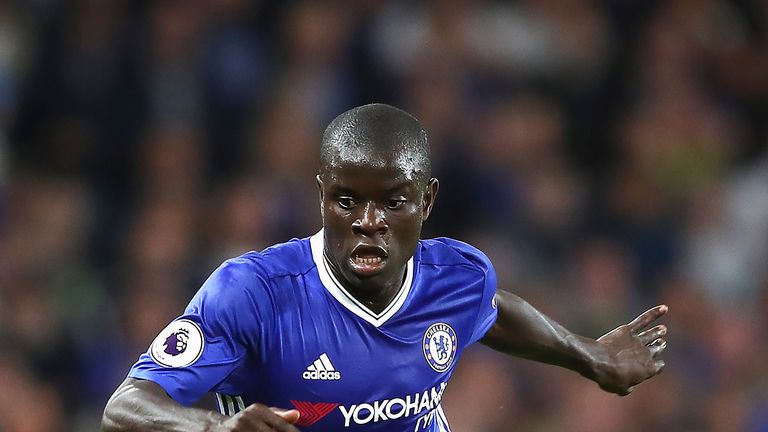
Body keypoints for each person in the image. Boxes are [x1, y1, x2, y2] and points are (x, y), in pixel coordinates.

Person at [102, 103, 668, 432]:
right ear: (321, 196)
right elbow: (126, 406)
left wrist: (590, 355)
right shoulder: (254, 292)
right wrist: (214, 428)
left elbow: (491, 314)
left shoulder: (459, 277)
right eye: (347, 200)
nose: (368, 221)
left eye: (393, 201)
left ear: (427, 201)